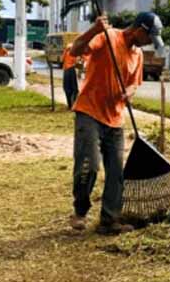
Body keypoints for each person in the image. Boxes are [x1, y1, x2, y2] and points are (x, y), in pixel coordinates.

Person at [68, 12, 162, 235]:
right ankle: (80, 211)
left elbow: (134, 84)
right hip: (89, 112)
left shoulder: (137, 54)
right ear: (140, 30)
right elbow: (75, 50)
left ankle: (109, 220)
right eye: (150, 38)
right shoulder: (108, 37)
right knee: (89, 166)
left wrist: (128, 93)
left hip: (115, 119)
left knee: (116, 171)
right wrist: (94, 30)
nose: (149, 43)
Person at [62, 44, 80, 108]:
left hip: (66, 70)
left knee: (67, 88)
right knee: (74, 89)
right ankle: (74, 104)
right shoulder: (73, 54)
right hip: (71, 70)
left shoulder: (65, 52)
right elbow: (76, 62)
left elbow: (62, 59)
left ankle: (69, 105)